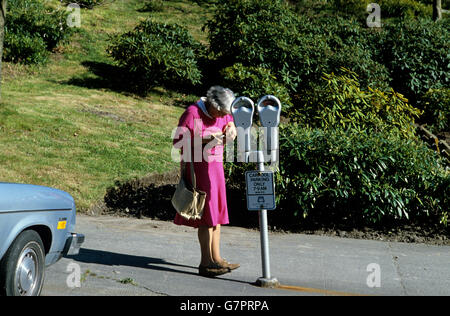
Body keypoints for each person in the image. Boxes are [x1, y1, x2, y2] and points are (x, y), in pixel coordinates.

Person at [173, 86, 240, 277]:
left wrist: (231, 128)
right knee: (206, 217)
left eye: (224, 113)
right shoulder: (192, 113)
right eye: (219, 111)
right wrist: (204, 139)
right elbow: (178, 142)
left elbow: (229, 122)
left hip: (216, 169)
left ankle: (217, 259)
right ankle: (205, 263)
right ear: (211, 103)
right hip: (200, 170)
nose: (221, 116)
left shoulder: (222, 113)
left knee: (216, 216)